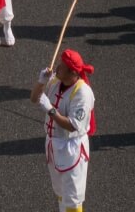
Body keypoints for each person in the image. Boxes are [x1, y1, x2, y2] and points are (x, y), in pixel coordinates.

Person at [30, 49, 95, 212]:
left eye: (62, 66)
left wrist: (50, 110)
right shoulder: (54, 82)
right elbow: (33, 98)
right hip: (53, 144)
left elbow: (73, 125)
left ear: (72, 72)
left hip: (71, 147)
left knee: (72, 198)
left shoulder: (83, 93)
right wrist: (41, 82)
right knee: (59, 191)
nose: (57, 68)